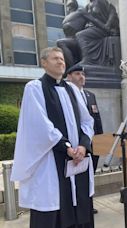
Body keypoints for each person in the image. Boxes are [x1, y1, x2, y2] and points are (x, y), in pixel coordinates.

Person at [11, 47, 95, 228]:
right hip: (50, 161)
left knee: (78, 201)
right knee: (53, 204)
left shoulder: (72, 89)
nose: (60, 62)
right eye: (55, 58)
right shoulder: (34, 88)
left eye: (62, 59)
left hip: (76, 159)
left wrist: (83, 145)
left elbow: (87, 121)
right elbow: (40, 125)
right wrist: (66, 147)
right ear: (44, 63)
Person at [66, 63, 103, 214]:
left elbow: (96, 119)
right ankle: (75, 206)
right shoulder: (67, 94)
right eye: (77, 74)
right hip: (77, 144)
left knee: (90, 175)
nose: (81, 77)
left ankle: (88, 204)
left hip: (92, 143)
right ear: (69, 76)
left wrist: (100, 139)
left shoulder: (90, 95)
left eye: (83, 74)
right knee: (76, 176)